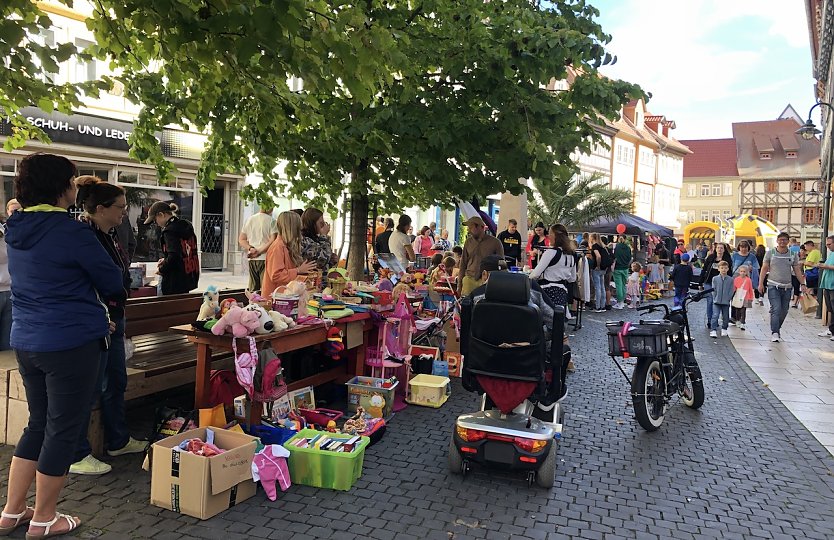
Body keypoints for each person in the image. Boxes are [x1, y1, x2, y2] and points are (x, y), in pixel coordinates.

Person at [1, 153, 125, 538]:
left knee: (38, 424)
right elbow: (113, 281)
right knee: (63, 429)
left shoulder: (15, 226)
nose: (75, 187)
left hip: (26, 338)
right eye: (72, 181)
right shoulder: (73, 232)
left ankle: (11, 512)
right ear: (62, 187)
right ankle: (44, 518)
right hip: (71, 341)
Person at [70, 176, 147, 476]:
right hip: (98, 319)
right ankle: (77, 452)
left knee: (116, 381)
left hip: (115, 315)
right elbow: (90, 281)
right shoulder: (85, 235)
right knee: (88, 387)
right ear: (100, 208)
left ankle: (118, 439)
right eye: (120, 207)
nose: (124, 213)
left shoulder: (110, 234)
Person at [759, 232, 806, 342]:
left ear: (788, 241)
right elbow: (764, 268)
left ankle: (777, 327)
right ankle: (775, 332)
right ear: (777, 241)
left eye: (784, 240)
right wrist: (760, 283)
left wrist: (802, 284)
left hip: (787, 287)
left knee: (784, 310)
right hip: (773, 285)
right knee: (776, 309)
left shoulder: (792, 254)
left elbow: (797, 270)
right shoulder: (770, 253)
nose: (782, 242)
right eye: (780, 240)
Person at [144, 201, 199, 295]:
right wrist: (166, 259)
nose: (156, 223)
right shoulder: (186, 226)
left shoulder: (169, 232)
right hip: (188, 277)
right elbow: (183, 252)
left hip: (174, 282)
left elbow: (174, 256)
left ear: (161, 215)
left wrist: (162, 269)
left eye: (155, 220)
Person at [262, 211, 317, 294]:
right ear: (293, 228)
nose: (300, 231)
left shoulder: (287, 246)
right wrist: (298, 270)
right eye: (298, 228)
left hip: (286, 296)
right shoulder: (277, 247)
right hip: (276, 299)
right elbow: (276, 275)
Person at [529, 224, 576, 307]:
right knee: (558, 317)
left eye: (550, 233)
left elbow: (535, 274)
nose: (548, 236)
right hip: (562, 293)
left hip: (547, 292)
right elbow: (572, 278)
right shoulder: (571, 255)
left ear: (555, 236)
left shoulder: (550, 252)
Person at [458, 216, 504, 296]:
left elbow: (502, 265)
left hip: (487, 280)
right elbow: (463, 263)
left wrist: (499, 283)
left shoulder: (495, 242)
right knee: (466, 305)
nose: (468, 230)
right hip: (469, 279)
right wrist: (459, 284)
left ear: (479, 227)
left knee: (483, 306)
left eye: (470, 227)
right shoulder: (468, 242)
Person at [238, 206, 277, 291]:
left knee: (253, 289)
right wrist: (259, 251)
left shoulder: (250, 219)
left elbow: (241, 239)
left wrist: (251, 248)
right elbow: (273, 240)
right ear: (271, 208)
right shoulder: (272, 221)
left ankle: (252, 303)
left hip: (252, 258)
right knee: (265, 288)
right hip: (266, 258)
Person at [699, 242, 732, 329]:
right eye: (718, 248)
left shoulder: (727, 259)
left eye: (721, 248)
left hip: (722, 283)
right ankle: (711, 320)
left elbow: (730, 272)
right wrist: (700, 282)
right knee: (710, 301)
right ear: (715, 249)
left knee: (719, 301)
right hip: (709, 282)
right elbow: (704, 269)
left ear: (724, 249)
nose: (720, 250)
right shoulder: (711, 257)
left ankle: (716, 319)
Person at [730, 240, 760, 322]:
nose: (743, 249)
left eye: (745, 247)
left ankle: (741, 317)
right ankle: (733, 316)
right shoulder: (735, 255)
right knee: (734, 297)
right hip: (735, 279)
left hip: (746, 280)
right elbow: (731, 265)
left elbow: (756, 268)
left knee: (743, 298)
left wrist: (751, 269)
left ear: (748, 248)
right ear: (739, 247)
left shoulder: (752, 257)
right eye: (742, 247)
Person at [814, 235, 834, 340]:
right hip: (827, 285)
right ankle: (831, 329)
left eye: (829, 244)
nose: (827, 246)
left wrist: (826, 266)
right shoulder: (831, 254)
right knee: (830, 308)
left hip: (833, 285)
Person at [710, 261, 734, 338]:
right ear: (718, 269)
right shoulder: (715, 278)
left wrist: (728, 298)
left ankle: (724, 328)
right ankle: (713, 330)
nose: (723, 269)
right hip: (716, 301)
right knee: (715, 315)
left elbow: (731, 290)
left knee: (725, 316)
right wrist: (715, 297)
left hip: (725, 301)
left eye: (725, 268)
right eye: (722, 268)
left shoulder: (730, 279)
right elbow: (714, 289)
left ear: (728, 269)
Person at [588, 233, 610, 312]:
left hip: (597, 269)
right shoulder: (603, 246)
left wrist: (597, 265)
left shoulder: (595, 246)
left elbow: (598, 256)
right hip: (604, 269)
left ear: (592, 238)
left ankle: (598, 307)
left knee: (597, 287)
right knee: (602, 287)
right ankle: (603, 306)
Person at [612, 235, 632, 310]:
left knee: (619, 286)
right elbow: (630, 258)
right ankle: (622, 302)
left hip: (617, 268)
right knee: (623, 285)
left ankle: (620, 302)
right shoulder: (628, 248)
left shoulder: (616, 247)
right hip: (625, 268)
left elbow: (613, 257)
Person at [733, 265, 754, 331]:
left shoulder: (748, 280)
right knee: (737, 309)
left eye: (744, 271)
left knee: (743, 310)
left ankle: (743, 322)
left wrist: (751, 297)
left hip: (745, 297)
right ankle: (738, 320)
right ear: (739, 272)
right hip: (738, 296)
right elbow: (734, 288)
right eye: (741, 271)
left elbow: (750, 289)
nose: (742, 273)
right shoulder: (736, 279)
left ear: (746, 272)